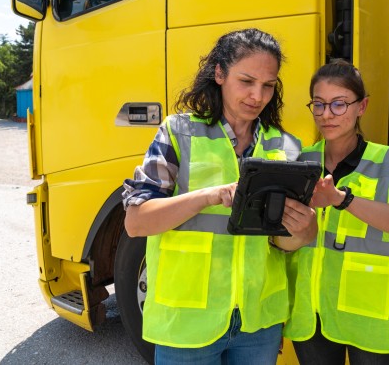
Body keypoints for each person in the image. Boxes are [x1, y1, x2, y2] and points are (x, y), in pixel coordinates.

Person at [122, 28, 317, 365]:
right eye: (247, 81)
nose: (258, 96)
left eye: (268, 85)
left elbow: (280, 245)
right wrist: (209, 195)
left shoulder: (286, 146)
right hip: (188, 321)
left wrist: (302, 231)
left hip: (258, 322)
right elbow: (137, 222)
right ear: (219, 74)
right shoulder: (177, 132)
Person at [284, 60, 389, 365]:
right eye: (318, 104)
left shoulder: (388, 162)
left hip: (367, 314)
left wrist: (340, 199)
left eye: (339, 104)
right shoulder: (300, 161)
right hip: (310, 313)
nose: (327, 115)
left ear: (362, 107)